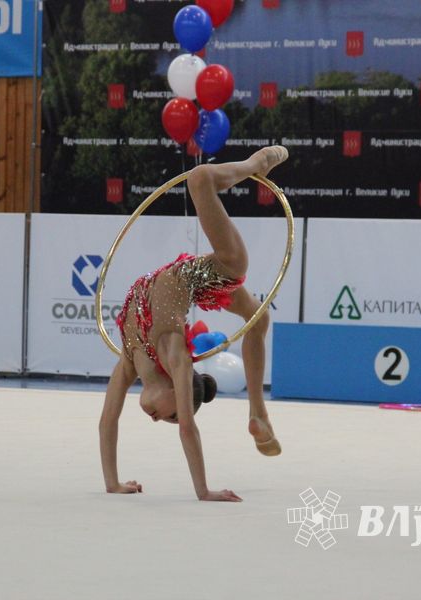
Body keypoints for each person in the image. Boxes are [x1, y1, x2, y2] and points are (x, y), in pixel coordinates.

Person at [99, 146, 288, 502]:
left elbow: (107, 421)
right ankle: (256, 163)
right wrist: (204, 491)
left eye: (165, 420)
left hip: (197, 278)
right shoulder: (175, 355)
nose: (159, 421)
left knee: (259, 320)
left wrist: (113, 482)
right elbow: (189, 428)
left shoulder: (130, 359)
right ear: (176, 387)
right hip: (222, 268)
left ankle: (258, 412)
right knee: (200, 178)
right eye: (169, 416)